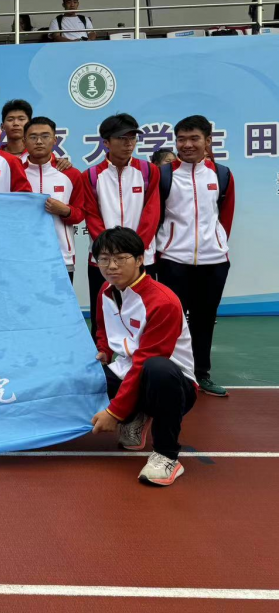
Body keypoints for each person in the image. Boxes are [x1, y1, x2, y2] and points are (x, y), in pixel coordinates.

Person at [90, 227, 196, 487]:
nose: (111, 266)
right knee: (85, 375)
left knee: (157, 368)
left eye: (120, 258)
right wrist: (104, 351)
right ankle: (136, 415)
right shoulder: (106, 290)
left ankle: (167, 455)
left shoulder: (163, 302)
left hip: (172, 383)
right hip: (129, 370)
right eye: (104, 259)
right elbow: (102, 327)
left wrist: (114, 413)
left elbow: (145, 361)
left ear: (139, 259)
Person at [155, 115, 235, 397]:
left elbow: (225, 217)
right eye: (181, 139)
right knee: (173, 321)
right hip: (172, 260)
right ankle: (175, 374)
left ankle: (202, 374)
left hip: (214, 262)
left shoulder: (221, 174)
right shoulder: (164, 175)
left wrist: (216, 244)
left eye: (194, 139)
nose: (187, 145)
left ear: (208, 141)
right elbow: (156, 216)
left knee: (204, 319)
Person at [81, 114, 160, 340]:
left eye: (132, 138)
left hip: (141, 258)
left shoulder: (148, 171)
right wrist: (112, 252)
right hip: (104, 260)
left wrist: (134, 251)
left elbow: (152, 212)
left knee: (143, 314)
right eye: (122, 138)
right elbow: (92, 216)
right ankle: (102, 356)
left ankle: (142, 357)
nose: (129, 144)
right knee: (103, 314)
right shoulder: (92, 176)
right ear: (106, 142)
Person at [23, 117, 85, 280]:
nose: (39, 141)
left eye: (45, 136)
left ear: (55, 140)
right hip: (23, 257)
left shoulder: (71, 174)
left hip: (61, 257)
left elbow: (80, 214)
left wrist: (65, 211)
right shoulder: (16, 172)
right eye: (33, 137)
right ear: (24, 141)